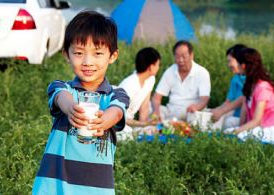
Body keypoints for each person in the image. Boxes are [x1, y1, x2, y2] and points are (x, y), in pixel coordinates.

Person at [32, 11, 129, 195]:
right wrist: (71, 110)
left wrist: (103, 121)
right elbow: (61, 97)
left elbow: (116, 112)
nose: (87, 61)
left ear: (112, 56)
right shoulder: (62, 88)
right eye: (78, 53)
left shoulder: (116, 94)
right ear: (66, 55)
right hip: (55, 186)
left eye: (98, 53)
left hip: (96, 188)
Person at [227, 48, 274, 146]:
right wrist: (238, 129)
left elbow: (257, 120)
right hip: (259, 128)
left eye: (238, 63)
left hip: (272, 129)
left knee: (240, 135)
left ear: (243, 65)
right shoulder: (250, 85)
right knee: (229, 132)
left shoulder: (262, 86)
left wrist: (236, 131)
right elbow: (244, 112)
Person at [152, 40, 211, 121]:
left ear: (191, 55)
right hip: (172, 110)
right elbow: (157, 97)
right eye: (177, 56)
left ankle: (167, 125)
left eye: (184, 56)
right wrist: (156, 111)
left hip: (191, 112)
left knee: (194, 116)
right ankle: (162, 124)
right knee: (150, 107)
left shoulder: (202, 72)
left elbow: (205, 98)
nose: (180, 60)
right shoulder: (170, 71)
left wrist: (197, 107)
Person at [117, 47, 161, 139]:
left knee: (153, 131)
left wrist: (145, 125)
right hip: (118, 122)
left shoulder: (150, 79)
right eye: (157, 64)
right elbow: (119, 116)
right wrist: (143, 124)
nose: (158, 67)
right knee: (126, 136)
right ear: (151, 67)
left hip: (132, 122)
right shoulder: (129, 85)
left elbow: (144, 106)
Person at [211, 44, 247, 130]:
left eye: (230, 61)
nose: (228, 65)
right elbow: (228, 102)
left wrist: (221, 111)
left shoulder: (252, 78)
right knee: (213, 117)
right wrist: (215, 110)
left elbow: (242, 99)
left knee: (226, 122)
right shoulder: (235, 79)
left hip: (247, 117)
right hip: (236, 114)